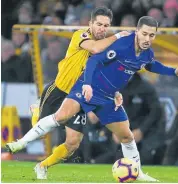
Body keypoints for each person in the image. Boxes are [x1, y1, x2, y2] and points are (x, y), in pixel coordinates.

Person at [7, 16, 178, 181]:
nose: (147, 39)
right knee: (62, 116)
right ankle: (21, 142)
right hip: (87, 88)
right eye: (144, 34)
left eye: (151, 35)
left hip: (107, 98)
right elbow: (94, 59)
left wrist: (173, 71)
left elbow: (151, 65)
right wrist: (87, 84)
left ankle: (137, 173)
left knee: (126, 136)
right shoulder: (122, 43)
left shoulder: (146, 53)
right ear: (137, 31)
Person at [7, 5, 126, 173]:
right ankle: (36, 109)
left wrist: (115, 92)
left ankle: (42, 167)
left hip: (77, 96)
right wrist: (119, 36)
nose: (102, 29)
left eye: (106, 26)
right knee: (42, 134)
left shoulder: (107, 49)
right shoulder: (82, 35)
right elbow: (94, 48)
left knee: (73, 143)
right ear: (91, 23)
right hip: (59, 90)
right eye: (99, 24)